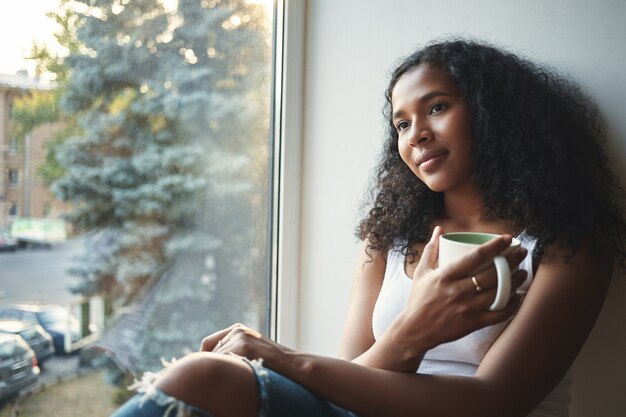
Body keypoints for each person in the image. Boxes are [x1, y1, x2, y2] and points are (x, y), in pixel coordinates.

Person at [110, 38, 626, 417]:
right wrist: (412, 332)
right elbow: (353, 377)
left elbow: (494, 401)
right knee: (205, 376)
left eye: (438, 108)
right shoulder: (390, 238)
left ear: (496, 117)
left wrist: (279, 356)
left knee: (208, 375)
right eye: (401, 123)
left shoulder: (567, 245)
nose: (416, 134)